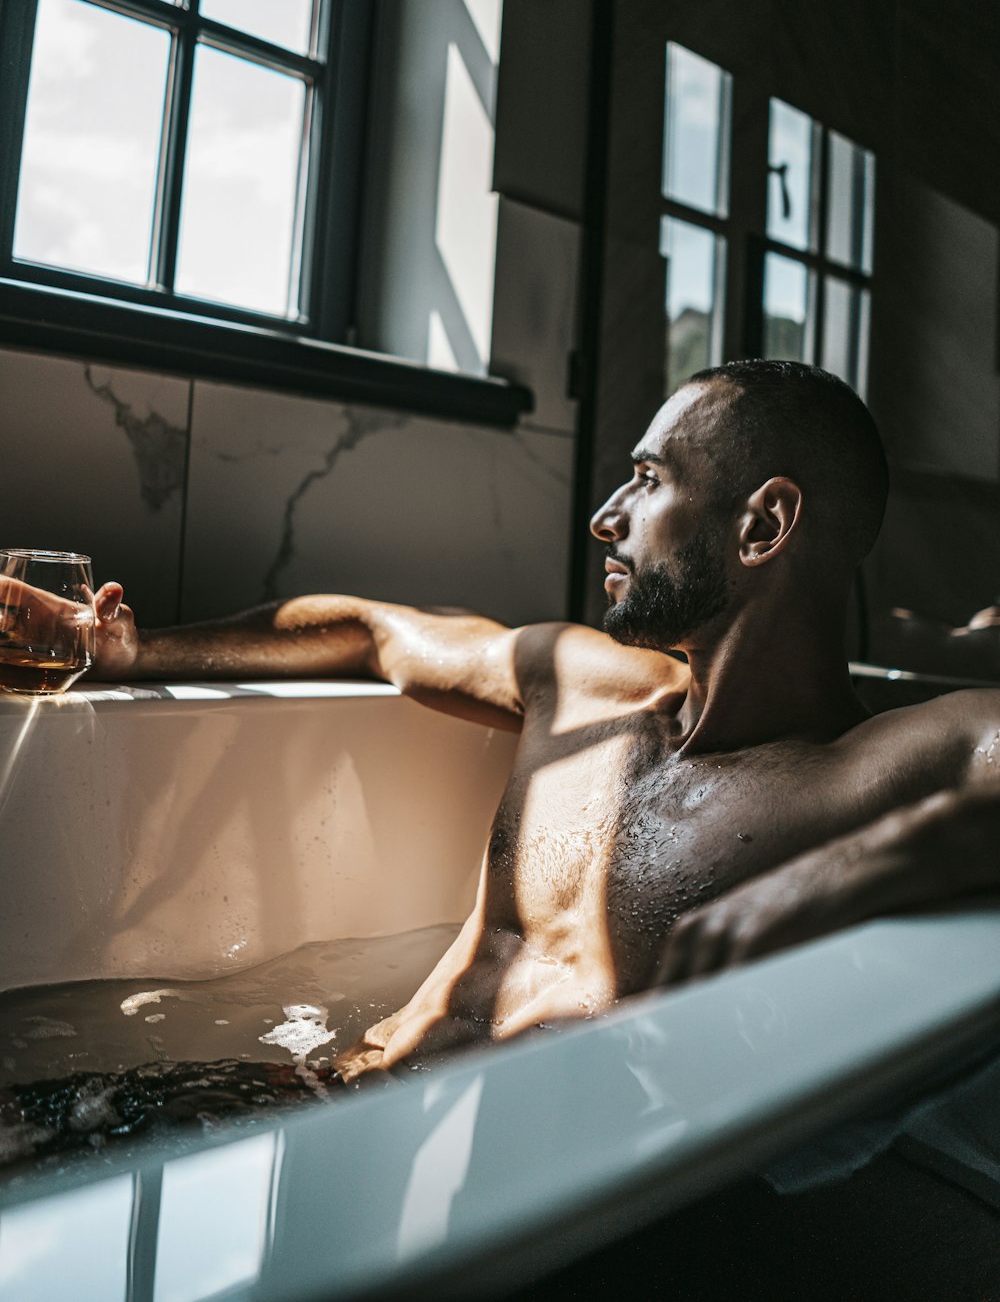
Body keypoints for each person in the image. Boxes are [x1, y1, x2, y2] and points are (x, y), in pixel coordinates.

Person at [86, 360, 1000, 1080]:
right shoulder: (586, 685)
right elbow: (372, 633)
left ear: (762, 526)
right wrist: (135, 655)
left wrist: (848, 868)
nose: (607, 518)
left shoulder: (878, 767)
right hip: (338, 1094)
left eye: (647, 479)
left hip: (538, 1193)